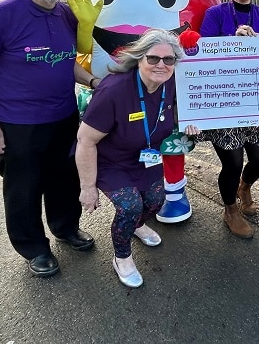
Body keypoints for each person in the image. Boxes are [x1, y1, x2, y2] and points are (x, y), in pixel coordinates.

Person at [0, 0, 98, 277]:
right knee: (23, 189)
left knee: (64, 179)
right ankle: (33, 247)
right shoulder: (0, 16)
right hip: (17, 123)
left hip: (63, 116)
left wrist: (95, 81)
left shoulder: (67, 15)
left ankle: (65, 228)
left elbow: (64, 60)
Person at [74, 29, 199, 287]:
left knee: (156, 198)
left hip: (146, 158)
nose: (161, 65)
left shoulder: (171, 83)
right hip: (110, 161)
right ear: (139, 58)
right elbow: (86, 140)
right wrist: (87, 188)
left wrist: (189, 125)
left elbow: (173, 115)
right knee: (130, 205)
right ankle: (122, 257)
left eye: (168, 59)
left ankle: (137, 225)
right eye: (153, 58)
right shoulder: (114, 90)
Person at [199, 0, 259, 238]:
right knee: (231, 162)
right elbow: (203, 54)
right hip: (226, 101)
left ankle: (244, 186)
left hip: (256, 100)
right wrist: (233, 40)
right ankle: (230, 209)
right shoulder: (215, 14)